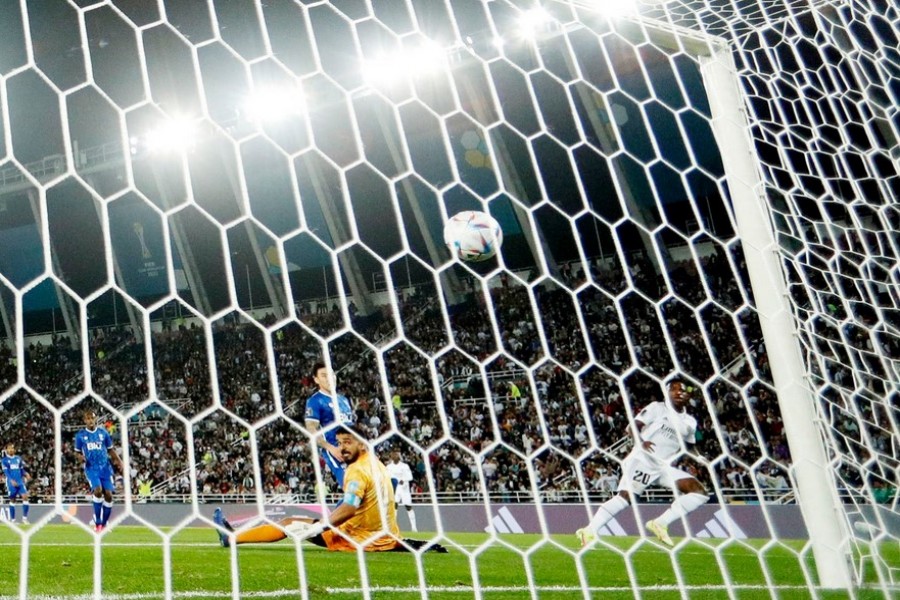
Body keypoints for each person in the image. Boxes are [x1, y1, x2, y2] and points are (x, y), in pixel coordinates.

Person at [213, 425, 445, 553]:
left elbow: (349, 508)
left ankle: (232, 538)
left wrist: (319, 528)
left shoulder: (356, 470)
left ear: (361, 444)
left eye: (348, 442)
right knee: (300, 522)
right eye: (339, 442)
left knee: (289, 524)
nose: (342, 448)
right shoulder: (376, 464)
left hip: (357, 539)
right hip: (384, 537)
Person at [577, 379, 709, 547]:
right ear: (667, 393)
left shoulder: (690, 421)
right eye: (673, 389)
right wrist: (640, 442)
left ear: (689, 395)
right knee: (626, 498)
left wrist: (700, 458)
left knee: (699, 492)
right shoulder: (657, 408)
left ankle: (660, 523)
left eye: (682, 390)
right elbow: (632, 426)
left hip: (663, 467)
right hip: (643, 461)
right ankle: (589, 531)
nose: (678, 392)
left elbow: (690, 446)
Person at [304, 362, 354, 487]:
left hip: (354, 449)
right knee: (352, 488)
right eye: (324, 375)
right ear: (316, 380)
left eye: (331, 374)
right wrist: (330, 448)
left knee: (370, 487)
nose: (329, 378)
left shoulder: (343, 400)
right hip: (336, 451)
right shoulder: (315, 401)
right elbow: (311, 429)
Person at [74, 409, 125, 533]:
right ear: (85, 421)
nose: (90, 421)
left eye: (92, 418)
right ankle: (97, 522)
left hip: (105, 467)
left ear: (95, 419)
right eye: (88, 419)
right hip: (92, 468)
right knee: (97, 490)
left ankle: (105, 523)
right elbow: (76, 452)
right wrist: (80, 457)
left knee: (108, 494)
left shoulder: (103, 433)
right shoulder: (80, 436)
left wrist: (119, 461)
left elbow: (110, 450)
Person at [386, 451, 417, 532]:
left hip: (404, 489)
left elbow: (410, 477)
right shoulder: (389, 467)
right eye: (394, 454)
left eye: (397, 454)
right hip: (395, 489)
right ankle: (393, 527)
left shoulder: (405, 466)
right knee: (394, 507)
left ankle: (414, 527)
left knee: (408, 506)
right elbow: (386, 477)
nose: (395, 456)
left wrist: (404, 480)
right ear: (391, 456)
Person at [2, 443, 30, 524]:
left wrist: (26, 474)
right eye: (9, 448)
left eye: (12, 448)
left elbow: (21, 470)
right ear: (6, 450)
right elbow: (6, 472)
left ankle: (24, 519)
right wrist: (11, 480)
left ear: (14, 450)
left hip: (20, 481)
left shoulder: (18, 458)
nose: (11, 450)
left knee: (25, 497)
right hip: (11, 483)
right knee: (13, 500)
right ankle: (13, 520)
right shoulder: (4, 460)